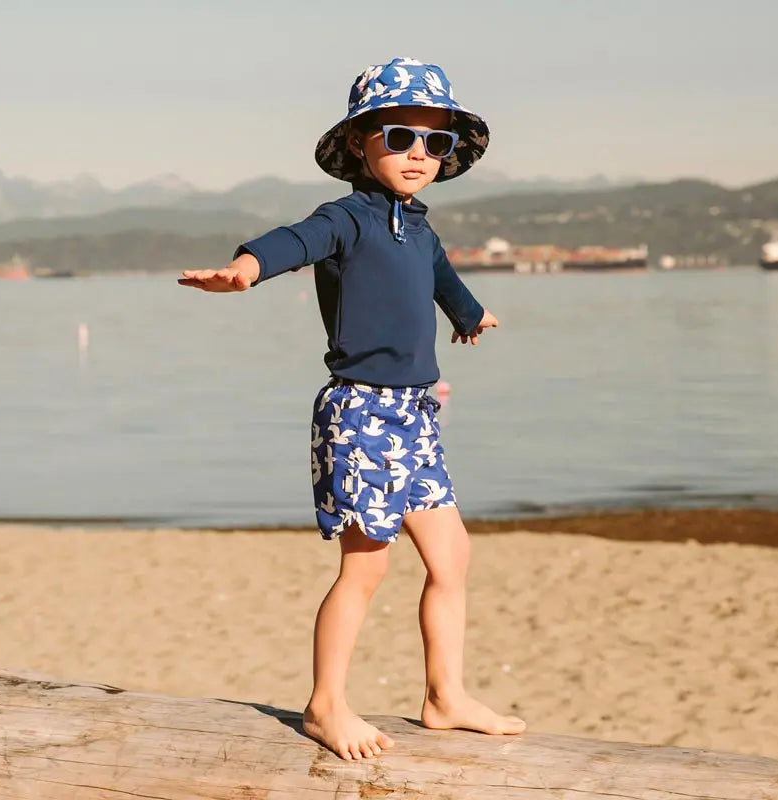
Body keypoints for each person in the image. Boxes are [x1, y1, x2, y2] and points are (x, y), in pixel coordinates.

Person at [179, 57, 526, 761]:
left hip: (416, 415)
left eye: (437, 143)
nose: (419, 155)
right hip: (361, 413)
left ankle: (444, 695)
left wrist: (470, 314)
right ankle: (325, 704)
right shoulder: (348, 217)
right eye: (401, 137)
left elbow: (443, 282)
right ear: (362, 143)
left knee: (451, 555)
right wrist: (246, 269)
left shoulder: (420, 230)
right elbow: (293, 242)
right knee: (365, 566)